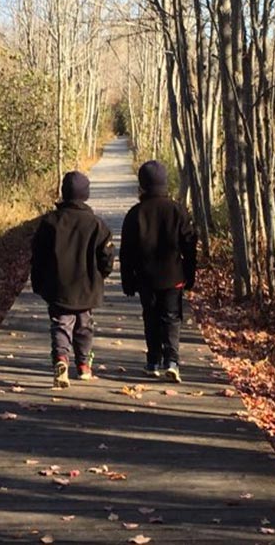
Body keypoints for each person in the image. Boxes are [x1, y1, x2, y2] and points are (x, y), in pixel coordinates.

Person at [31, 170, 115, 389]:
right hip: (87, 286)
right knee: (85, 326)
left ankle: (61, 360)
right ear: (85, 195)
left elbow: (38, 255)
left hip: (58, 287)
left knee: (61, 325)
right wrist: (100, 276)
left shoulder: (50, 222)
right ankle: (84, 365)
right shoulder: (97, 224)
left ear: (64, 193)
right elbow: (106, 256)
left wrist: (39, 282)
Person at [120, 160, 197, 383]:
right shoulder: (177, 210)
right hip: (174, 277)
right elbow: (189, 244)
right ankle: (172, 361)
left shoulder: (135, 214)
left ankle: (153, 360)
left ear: (142, 185)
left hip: (145, 278)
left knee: (151, 316)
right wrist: (189, 274)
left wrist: (128, 280)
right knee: (172, 317)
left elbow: (127, 252)